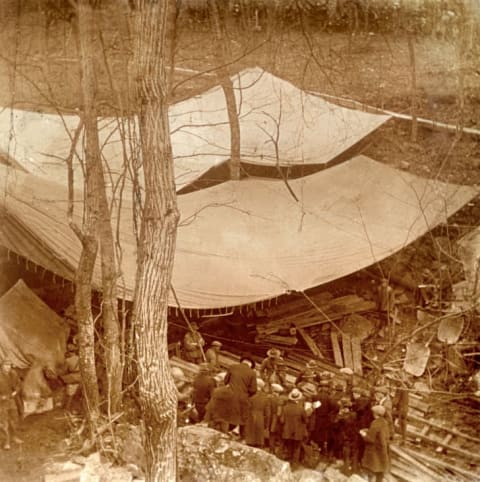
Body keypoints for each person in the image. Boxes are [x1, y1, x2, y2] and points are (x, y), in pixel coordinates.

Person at [224, 355, 257, 437]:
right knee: (238, 416)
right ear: (251, 365)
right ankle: (233, 432)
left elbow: (225, 381)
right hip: (242, 397)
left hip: (229, 394)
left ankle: (224, 430)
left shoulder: (232, 367)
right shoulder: (252, 373)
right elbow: (253, 390)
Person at [360, 405, 391, 482]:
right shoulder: (384, 422)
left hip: (374, 451)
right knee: (380, 470)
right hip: (382, 449)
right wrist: (369, 430)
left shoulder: (375, 423)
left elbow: (370, 439)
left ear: (375, 413)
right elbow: (383, 434)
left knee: (371, 469)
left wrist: (363, 434)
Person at [0, 359, 23, 450]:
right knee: (3, 421)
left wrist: (15, 392)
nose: (8, 367)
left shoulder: (13, 373)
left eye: (9, 365)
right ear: (1, 366)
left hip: (11, 400)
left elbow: (18, 384)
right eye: (6, 365)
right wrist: (1, 397)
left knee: (14, 419)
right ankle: (6, 441)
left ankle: (15, 437)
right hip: (2, 403)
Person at [281, 388, 308, 464]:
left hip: (287, 430)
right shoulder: (301, 409)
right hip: (298, 431)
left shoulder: (285, 408)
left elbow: (282, 421)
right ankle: (295, 462)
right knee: (297, 447)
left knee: (289, 445)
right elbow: (306, 421)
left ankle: (289, 461)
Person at [245, 378, 271, 448]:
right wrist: (266, 424)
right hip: (260, 419)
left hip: (250, 418)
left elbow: (246, 408)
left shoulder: (250, 395)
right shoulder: (265, 398)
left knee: (248, 441)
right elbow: (267, 414)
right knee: (258, 441)